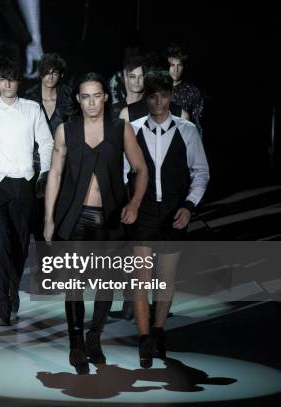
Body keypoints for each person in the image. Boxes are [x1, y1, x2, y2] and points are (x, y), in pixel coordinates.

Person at [43, 72, 148, 374]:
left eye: (96, 95)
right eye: (85, 96)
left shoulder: (121, 129)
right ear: (78, 99)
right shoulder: (66, 131)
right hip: (75, 215)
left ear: (105, 97)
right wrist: (49, 218)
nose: (91, 102)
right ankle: (76, 344)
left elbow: (140, 169)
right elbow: (54, 174)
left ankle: (93, 337)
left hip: (111, 214)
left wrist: (135, 203)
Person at [127, 71, 209, 368]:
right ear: (146, 97)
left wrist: (189, 206)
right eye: (152, 95)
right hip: (145, 212)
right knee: (141, 279)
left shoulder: (187, 131)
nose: (158, 101)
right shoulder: (132, 130)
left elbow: (201, 173)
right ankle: (144, 339)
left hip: (175, 212)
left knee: (166, 279)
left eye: (163, 94)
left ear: (171, 96)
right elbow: (126, 172)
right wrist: (130, 205)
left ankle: (158, 333)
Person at [0, 55, 53, 325]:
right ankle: (2, 304)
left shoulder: (32, 109)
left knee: (20, 245)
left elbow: (46, 142)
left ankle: (11, 287)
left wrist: (43, 175)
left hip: (24, 184)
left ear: (19, 80)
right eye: (3, 78)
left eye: (12, 78)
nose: (8, 83)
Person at [24, 52, 76, 240]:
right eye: (47, 72)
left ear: (61, 75)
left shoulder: (69, 99)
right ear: (40, 74)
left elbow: (76, 131)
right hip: (36, 166)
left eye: (55, 73)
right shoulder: (29, 99)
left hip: (63, 164)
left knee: (61, 215)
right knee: (39, 219)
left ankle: (59, 263)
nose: (50, 77)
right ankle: (43, 264)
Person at [166, 44, 204, 135]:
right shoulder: (158, 89)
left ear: (184, 67)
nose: (176, 69)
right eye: (172, 65)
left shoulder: (193, 91)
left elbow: (198, 126)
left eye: (179, 65)